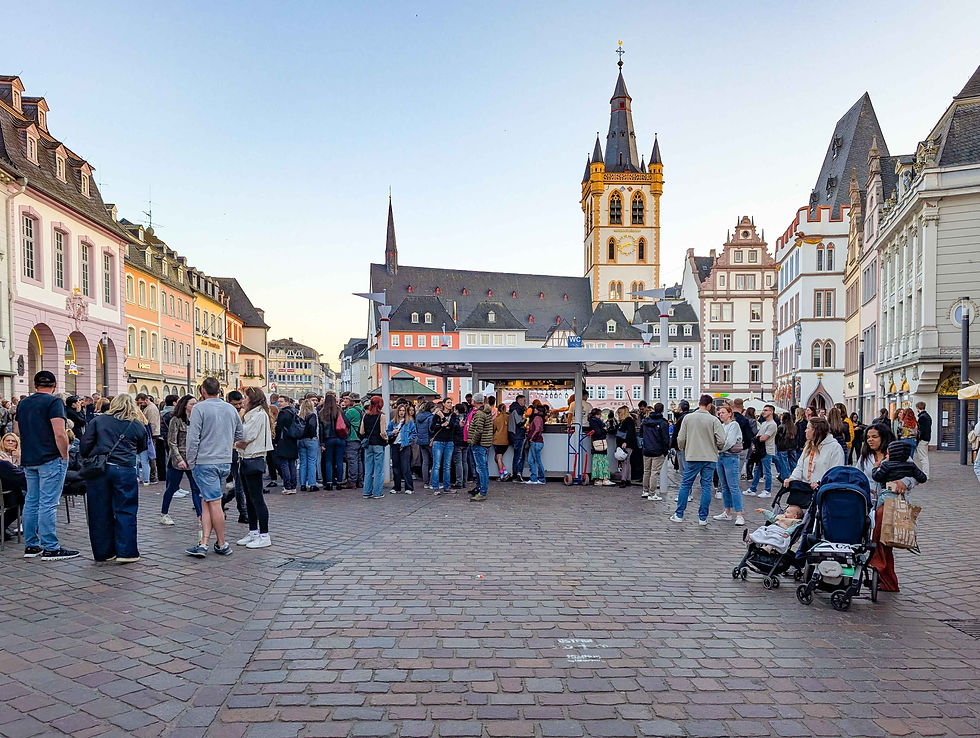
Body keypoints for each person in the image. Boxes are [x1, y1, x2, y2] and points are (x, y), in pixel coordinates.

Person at [80, 394, 148, 563]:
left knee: (99, 511)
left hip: (100, 469)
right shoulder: (137, 424)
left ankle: (104, 552)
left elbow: (85, 445)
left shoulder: (99, 421)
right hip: (125, 469)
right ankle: (127, 552)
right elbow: (141, 447)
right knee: (126, 510)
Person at [16, 371, 75, 560]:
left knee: (31, 501)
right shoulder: (54, 402)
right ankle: (51, 546)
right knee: (48, 503)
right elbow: (59, 433)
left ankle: (31, 545)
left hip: (30, 457)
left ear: (35, 385)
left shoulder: (23, 403)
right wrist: (64, 455)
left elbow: (17, 430)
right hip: (50, 457)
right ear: (54, 385)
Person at [184, 377, 244, 558]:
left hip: (205, 460)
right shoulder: (230, 409)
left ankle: (222, 542)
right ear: (219, 390)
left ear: (203, 390)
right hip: (224, 460)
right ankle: (204, 542)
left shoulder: (199, 409)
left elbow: (193, 438)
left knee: (215, 502)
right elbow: (240, 434)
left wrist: (190, 460)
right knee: (207, 500)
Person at [854, 423, 918, 592]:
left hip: (892, 503)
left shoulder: (898, 454)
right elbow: (857, 474)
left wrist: (903, 482)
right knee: (883, 542)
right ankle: (888, 581)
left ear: (884, 438)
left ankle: (877, 562)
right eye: (868, 437)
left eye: (874, 437)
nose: (870, 440)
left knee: (881, 530)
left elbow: (914, 475)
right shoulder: (865, 457)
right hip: (869, 501)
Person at [669, 394, 726, 525]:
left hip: (693, 456)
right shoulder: (714, 420)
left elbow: (681, 438)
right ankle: (702, 518)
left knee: (685, 484)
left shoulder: (688, 418)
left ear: (699, 403)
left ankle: (679, 514)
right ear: (710, 405)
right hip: (710, 457)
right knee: (706, 486)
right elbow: (722, 440)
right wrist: (717, 447)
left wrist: (683, 448)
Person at [235, 387, 274, 549]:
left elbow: (246, 435)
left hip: (253, 458)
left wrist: (236, 435)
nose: (243, 400)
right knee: (250, 499)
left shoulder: (258, 415)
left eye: (245, 397)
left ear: (252, 399)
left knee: (257, 499)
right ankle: (253, 532)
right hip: (245, 458)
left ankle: (264, 534)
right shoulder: (252, 415)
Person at [161, 395, 204, 527]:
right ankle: (164, 513)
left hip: (193, 458)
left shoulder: (198, 420)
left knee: (196, 489)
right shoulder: (176, 420)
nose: (195, 406)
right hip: (178, 459)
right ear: (185, 405)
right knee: (172, 488)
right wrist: (178, 459)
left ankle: (200, 516)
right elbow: (172, 442)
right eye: (192, 404)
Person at [783, 417, 845, 490]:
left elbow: (835, 473)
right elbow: (800, 466)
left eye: (808, 428)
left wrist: (820, 483)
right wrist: (793, 478)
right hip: (804, 490)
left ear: (816, 431)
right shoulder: (809, 446)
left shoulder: (835, 448)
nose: (805, 431)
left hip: (822, 491)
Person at [712, 404, 745, 525]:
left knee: (733, 486)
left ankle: (739, 514)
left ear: (730, 413)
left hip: (730, 456)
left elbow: (729, 441)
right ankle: (727, 511)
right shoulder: (721, 426)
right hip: (721, 457)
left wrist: (719, 449)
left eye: (723, 412)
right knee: (724, 486)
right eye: (719, 413)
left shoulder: (733, 425)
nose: (721, 415)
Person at [639, 402, 669, 500]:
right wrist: (665, 451)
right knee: (654, 472)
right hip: (658, 450)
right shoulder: (663, 423)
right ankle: (652, 493)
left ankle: (645, 490)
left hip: (647, 449)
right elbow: (665, 439)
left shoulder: (645, 421)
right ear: (663, 410)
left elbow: (641, 435)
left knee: (646, 471)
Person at [359, 395, 387, 499]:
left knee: (368, 469)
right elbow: (383, 432)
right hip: (378, 444)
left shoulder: (365, 416)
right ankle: (377, 492)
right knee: (378, 470)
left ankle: (366, 492)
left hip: (368, 445)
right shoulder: (381, 416)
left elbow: (362, 431)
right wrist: (387, 439)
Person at [467, 393, 494, 501]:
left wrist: (473, 441)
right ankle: (481, 489)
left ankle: (482, 492)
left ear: (475, 401)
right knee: (483, 468)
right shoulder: (486, 411)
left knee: (481, 468)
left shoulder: (479, 414)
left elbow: (478, 430)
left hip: (479, 444)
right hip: (485, 443)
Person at [747, 404, 777, 498]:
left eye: (766, 410)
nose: (763, 412)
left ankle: (767, 490)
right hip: (760, 450)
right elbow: (758, 436)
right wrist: (756, 439)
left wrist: (756, 439)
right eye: (763, 410)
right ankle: (753, 489)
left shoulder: (772, 424)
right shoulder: (764, 423)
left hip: (767, 450)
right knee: (757, 469)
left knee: (767, 471)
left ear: (771, 412)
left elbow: (763, 438)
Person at [317, 394, 346, 490]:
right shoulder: (339, 411)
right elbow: (347, 423)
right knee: (339, 461)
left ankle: (329, 483)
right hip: (340, 438)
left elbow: (321, 429)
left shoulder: (322, 412)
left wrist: (321, 443)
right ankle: (339, 482)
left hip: (328, 439)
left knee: (328, 461)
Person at [387, 403, 417, 494]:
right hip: (395, 445)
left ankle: (409, 487)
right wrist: (392, 432)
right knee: (396, 467)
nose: (402, 412)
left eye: (403, 411)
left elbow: (414, 433)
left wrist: (408, 439)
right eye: (400, 410)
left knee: (405, 467)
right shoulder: (393, 422)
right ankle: (397, 486)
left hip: (404, 445)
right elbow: (387, 432)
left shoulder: (409, 422)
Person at [429, 398, 457, 495]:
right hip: (438, 441)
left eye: (451, 402)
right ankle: (435, 487)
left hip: (449, 441)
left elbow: (453, 426)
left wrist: (444, 420)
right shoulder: (437, 414)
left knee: (447, 465)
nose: (450, 404)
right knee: (436, 465)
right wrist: (442, 425)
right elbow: (432, 428)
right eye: (448, 403)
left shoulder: (453, 415)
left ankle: (446, 486)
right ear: (444, 404)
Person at [273, 396, 300, 494]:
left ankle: (287, 486)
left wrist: (276, 441)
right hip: (293, 440)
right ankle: (293, 486)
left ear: (287, 402)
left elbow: (279, 428)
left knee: (284, 464)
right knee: (292, 464)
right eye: (278, 401)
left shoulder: (283, 413)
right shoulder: (294, 412)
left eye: (281, 401)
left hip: (283, 440)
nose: (279, 403)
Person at [136, 393, 162, 483]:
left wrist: (150, 435)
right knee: (149, 456)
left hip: (151, 435)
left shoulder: (151, 409)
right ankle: (151, 476)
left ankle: (153, 476)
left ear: (146, 400)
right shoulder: (149, 408)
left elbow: (152, 423)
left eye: (141, 402)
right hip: (150, 434)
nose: (140, 405)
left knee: (150, 456)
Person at [296, 399, 320, 492]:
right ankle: (312, 484)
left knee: (302, 462)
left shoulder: (299, 416)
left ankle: (302, 484)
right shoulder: (312, 415)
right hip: (310, 440)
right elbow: (312, 426)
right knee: (312, 462)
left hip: (301, 440)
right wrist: (312, 436)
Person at [343, 394, 365, 488]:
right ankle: (360, 481)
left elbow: (343, 423)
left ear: (352, 401)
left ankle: (352, 481)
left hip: (352, 437)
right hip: (360, 438)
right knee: (359, 461)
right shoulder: (363, 410)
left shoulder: (350, 411)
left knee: (352, 461)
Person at [587, 407, 613, 486]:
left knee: (596, 461)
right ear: (598, 414)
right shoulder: (596, 421)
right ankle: (605, 478)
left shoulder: (592, 421)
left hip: (595, 442)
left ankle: (597, 479)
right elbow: (599, 432)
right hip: (600, 441)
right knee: (603, 460)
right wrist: (604, 431)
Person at [614, 406, 638, 488]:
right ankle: (628, 479)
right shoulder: (626, 421)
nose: (618, 414)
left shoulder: (628, 420)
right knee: (627, 462)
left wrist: (625, 442)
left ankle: (623, 479)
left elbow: (630, 433)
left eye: (620, 413)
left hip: (626, 443)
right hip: (626, 443)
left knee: (625, 462)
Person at [525, 403, 548, 486]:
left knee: (536, 461)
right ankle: (534, 478)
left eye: (535, 409)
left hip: (536, 442)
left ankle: (541, 478)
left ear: (538, 411)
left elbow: (537, 429)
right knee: (531, 460)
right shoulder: (540, 418)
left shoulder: (537, 418)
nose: (534, 410)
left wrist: (532, 437)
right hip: (536, 442)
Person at [731, 399, 753, 481]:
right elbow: (748, 435)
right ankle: (734, 490)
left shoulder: (729, 418)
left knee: (726, 471)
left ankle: (720, 491)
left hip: (728, 448)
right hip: (742, 447)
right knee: (737, 472)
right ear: (742, 407)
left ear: (733, 405)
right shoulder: (744, 420)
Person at [508, 395, 528, 483]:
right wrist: (526, 419)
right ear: (519, 400)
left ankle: (518, 473)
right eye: (524, 400)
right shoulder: (517, 410)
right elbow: (519, 423)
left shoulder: (514, 409)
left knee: (519, 455)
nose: (525, 402)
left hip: (514, 435)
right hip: (517, 435)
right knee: (519, 456)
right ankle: (516, 475)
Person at [415, 401, 434, 489]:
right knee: (434, 461)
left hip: (421, 441)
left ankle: (425, 482)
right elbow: (431, 430)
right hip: (429, 441)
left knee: (425, 462)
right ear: (430, 408)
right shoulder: (430, 417)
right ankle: (431, 482)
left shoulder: (418, 416)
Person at [451, 403, 470, 489]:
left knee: (458, 462)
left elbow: (454, 428)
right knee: (464, 462)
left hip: (457, 441)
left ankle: (459, 482)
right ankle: (464, 481)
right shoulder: (467, 417)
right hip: (466, 441)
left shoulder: (455, 418)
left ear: (457, 410)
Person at [774, 412, 796, 482]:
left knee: (784, 463)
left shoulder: (781, 426)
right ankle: (794, 476)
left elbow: (777, 438)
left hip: (783, 446)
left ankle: (785, 478)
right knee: (793, 462)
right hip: (792, 446)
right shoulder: (794, 427)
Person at [492, 399, 510, 481]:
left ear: (498, 410)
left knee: (498, 458)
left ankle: (502, 475)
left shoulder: (496, 419)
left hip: (497, 440)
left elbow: (493, 429)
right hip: (506, 441)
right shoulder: (508, 417)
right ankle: (505, 472)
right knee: (497, 458)